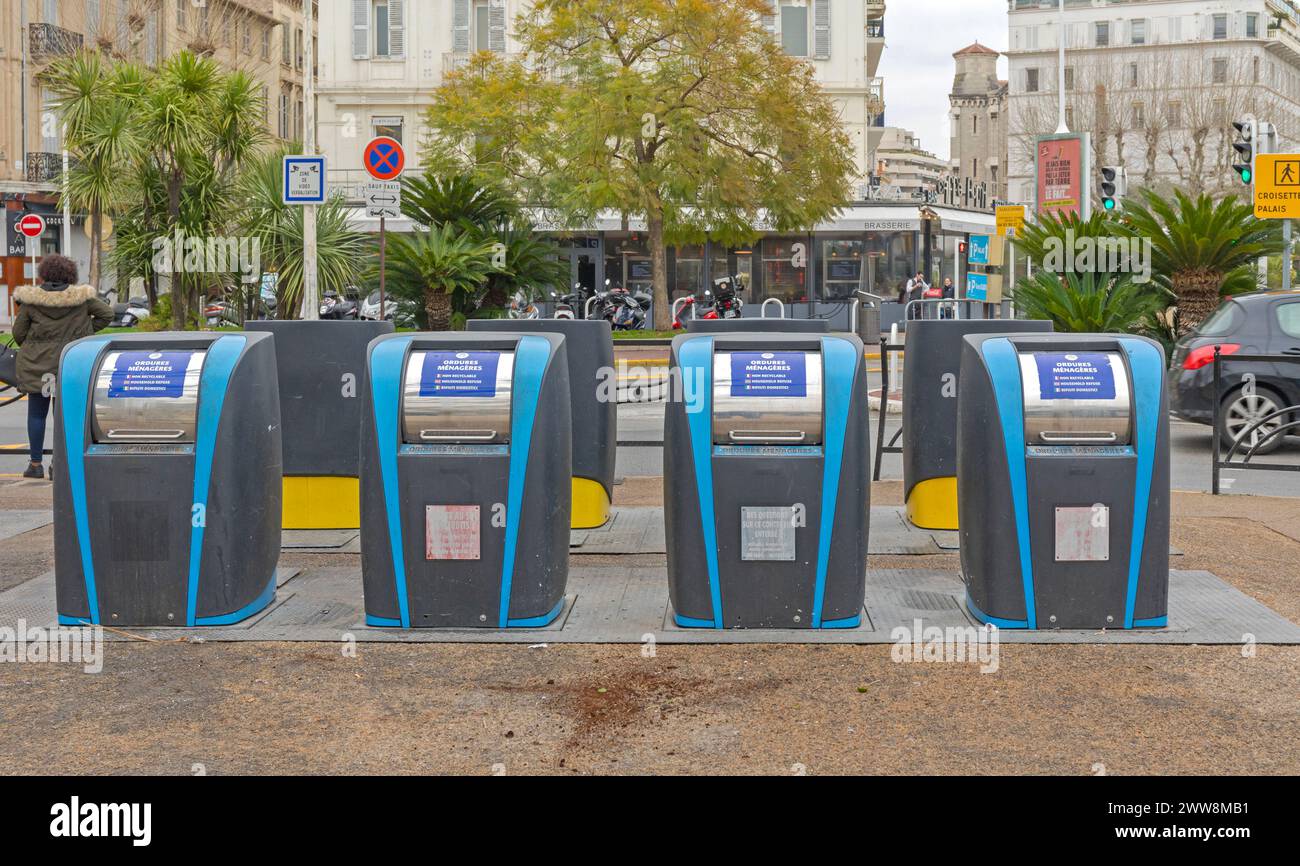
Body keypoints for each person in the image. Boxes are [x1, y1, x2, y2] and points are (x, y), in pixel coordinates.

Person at [12, 254, 113, 479]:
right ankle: (59, 465)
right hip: (70, 364)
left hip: (37, 366)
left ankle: (35, 465)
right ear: (70, 274)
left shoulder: (32, 300)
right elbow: (107, 314)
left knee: (37, 414)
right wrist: (84, 334)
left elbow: (18, 334)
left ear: (44, 274)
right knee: (64, 416)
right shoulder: (81, 298)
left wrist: (34, 346)